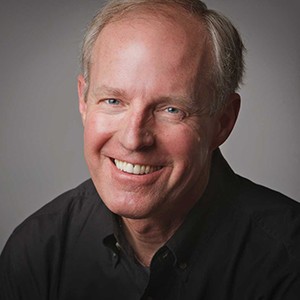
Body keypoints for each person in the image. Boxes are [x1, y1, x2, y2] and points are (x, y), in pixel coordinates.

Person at [1, 0, 299, 299]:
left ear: (223, 122)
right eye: (113, 101)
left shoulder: (287, 262)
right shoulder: (38, 251)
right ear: (84, 101)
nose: (133, 139)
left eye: (171, 109)